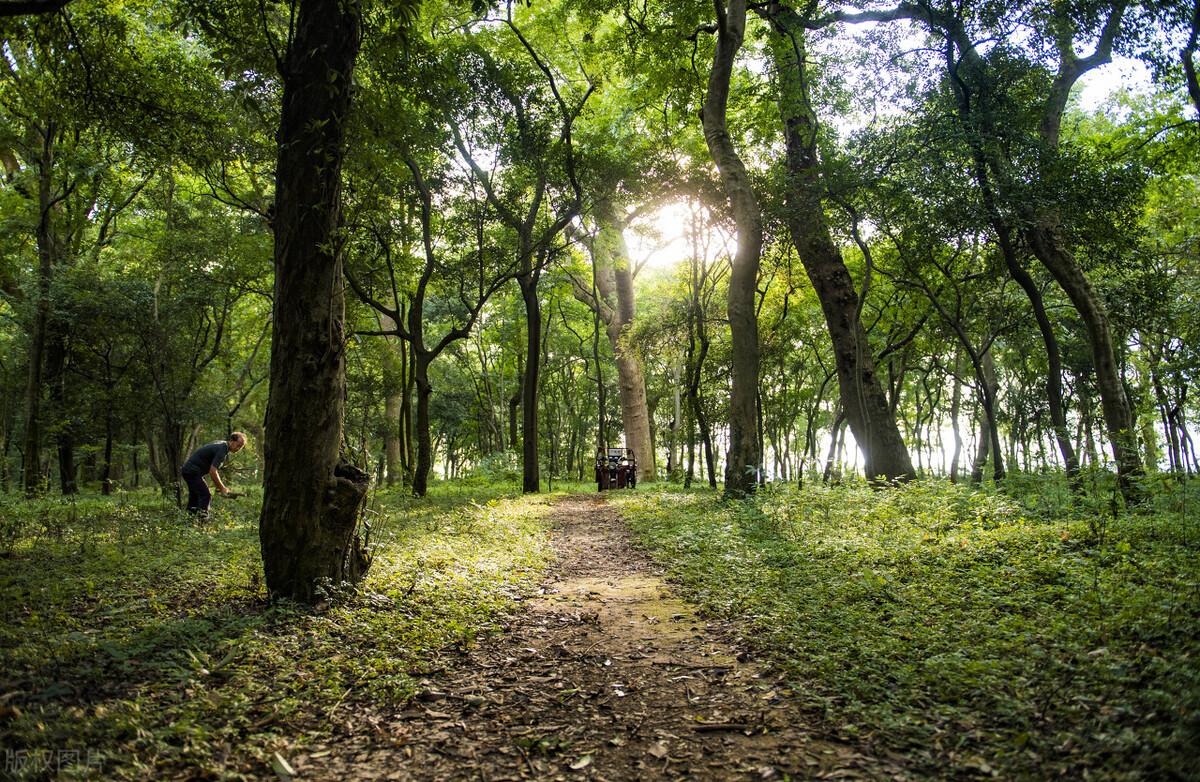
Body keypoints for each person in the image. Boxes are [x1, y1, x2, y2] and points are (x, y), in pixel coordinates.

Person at [181, 432, 246, 515]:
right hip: (192, 471)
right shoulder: (222, 449)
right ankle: (202, 521)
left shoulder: (222, 445)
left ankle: (190, 520)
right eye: (238, 445)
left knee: (195, 496)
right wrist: (222, 488)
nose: (238, 449)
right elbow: (213, 471)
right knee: (205, 495)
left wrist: (220, 487)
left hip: (189, 470)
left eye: (241, 447)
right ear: (232, 441)